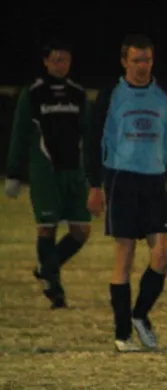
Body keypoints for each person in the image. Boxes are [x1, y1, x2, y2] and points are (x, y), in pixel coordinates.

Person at [84, 33, 167, 352]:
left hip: (155, 182)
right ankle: (122, 332)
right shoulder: (111, 95)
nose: (143, 66)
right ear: (124, 61)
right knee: (124, 255)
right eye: (137, 60)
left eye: (148, 60)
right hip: (122, 180)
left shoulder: (164, 95)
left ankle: (140, 314)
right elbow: (94, 140)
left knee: (162, 254)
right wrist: (94, 185)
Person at [4, 38, 92, 309]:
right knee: (47, 229)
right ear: (45, 61)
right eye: (55, 59)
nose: (60, 64)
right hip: (46, 172)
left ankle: (46, 267)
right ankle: (55, 288)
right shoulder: (33, 93)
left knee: (81, 231)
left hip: (74, 173)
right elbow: (20, 133)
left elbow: (89, 134)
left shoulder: (78, 93)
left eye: (64, 59)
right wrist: (13, 173)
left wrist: (96, 170)